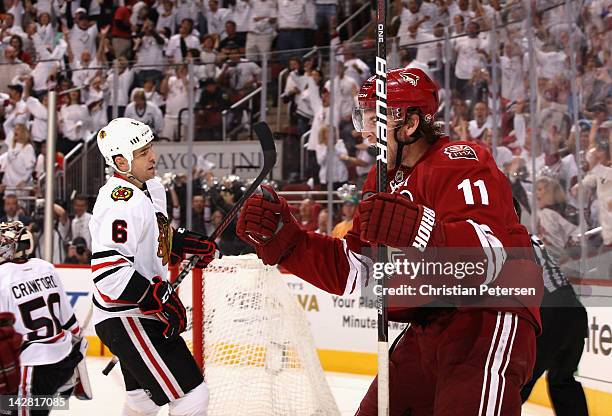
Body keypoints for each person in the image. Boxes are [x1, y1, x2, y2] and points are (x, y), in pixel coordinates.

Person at [237, 68, 543, 415]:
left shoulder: (459, 161)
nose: (364, 131)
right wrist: (289, 243)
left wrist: (418, 230)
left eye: (373, 119)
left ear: (410, 124)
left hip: (487, 316)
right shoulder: (381, 179)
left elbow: (492, 257)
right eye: (362, 117)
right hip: (428, 324)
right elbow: (356, 271)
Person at [91, 118, 217, 415]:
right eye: (142, 152)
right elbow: (109, 274)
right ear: (120, 161)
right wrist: (157, 298)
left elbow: (153, 238)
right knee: (192, 397)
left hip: (136, 314)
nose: (153, 156)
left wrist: (181, 243)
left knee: (142, 402)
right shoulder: (118, 202)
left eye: (151, 148)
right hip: (126, 316)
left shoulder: (151, 188)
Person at [0, 221, 89, 414]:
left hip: (31, 364)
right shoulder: (46, 267)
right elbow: (71, 324)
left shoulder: (2, 276)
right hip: (61, 361)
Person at [514, 202, 588, 416]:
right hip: (574, 311)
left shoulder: (505, 241)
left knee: (517, 382)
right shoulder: (532, 239)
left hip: (551, 314)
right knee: (562, 380)